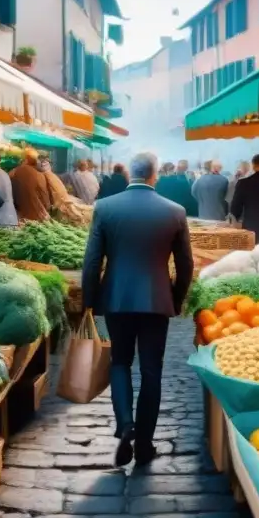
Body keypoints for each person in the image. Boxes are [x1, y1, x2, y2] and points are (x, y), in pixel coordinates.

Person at [82, 152, 193, 467]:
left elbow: (92, 261)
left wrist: (89, 300)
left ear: (130, 174)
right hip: (157, 301)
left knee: (119, 363)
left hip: (117, 299)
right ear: (155, 175)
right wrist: (176, 297)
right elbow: (186, 265)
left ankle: (125, 425)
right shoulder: (175, 212)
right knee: (151, 371)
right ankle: (144, 444)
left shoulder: (105, 207)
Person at [10, 148, 52, 221]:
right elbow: (45, 198)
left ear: (25, 160)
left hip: (22, 214)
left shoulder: (16, 171)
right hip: (39, 215)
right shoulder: (40, 175)